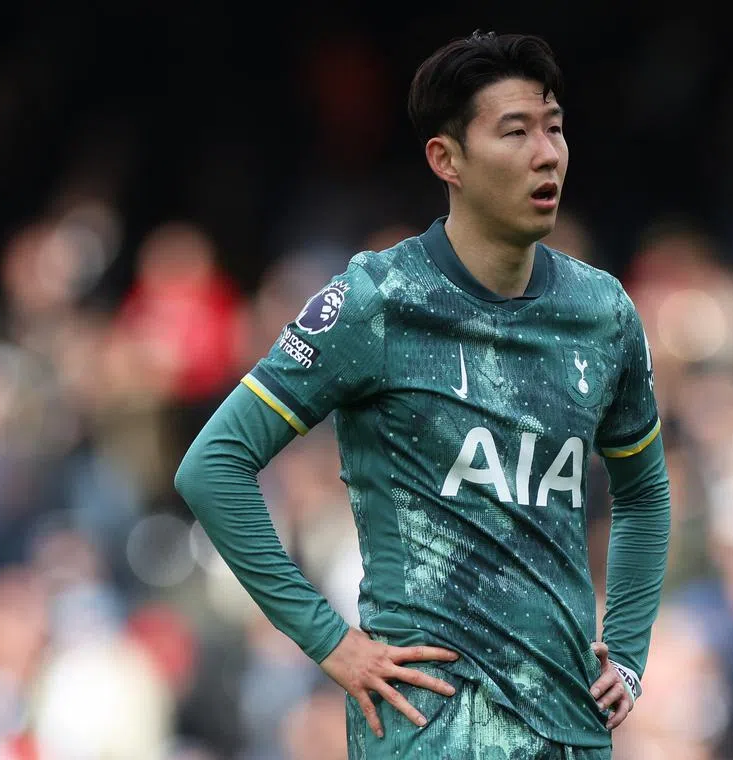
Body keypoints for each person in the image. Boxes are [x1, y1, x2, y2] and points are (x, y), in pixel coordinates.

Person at [175, 30, 671, 759]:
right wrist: (331, 641)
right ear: (447, 159)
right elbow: (213, 466)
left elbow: (644, 492)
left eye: (554, 128)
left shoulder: (603, 313)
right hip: (429, 731)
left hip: (570, 729)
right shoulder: (377, 301)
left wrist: (625, 652)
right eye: (515, 132)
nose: (547, 154)